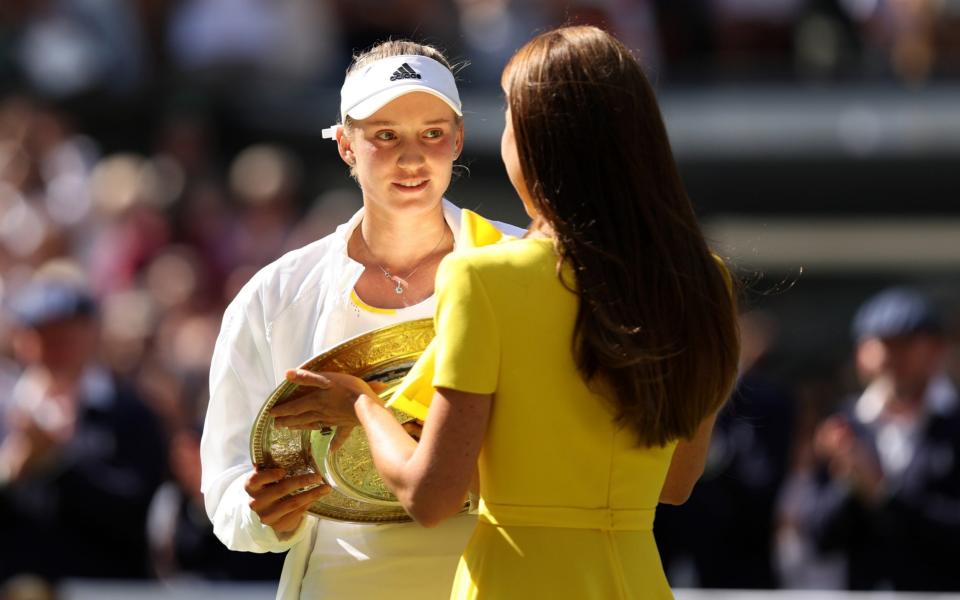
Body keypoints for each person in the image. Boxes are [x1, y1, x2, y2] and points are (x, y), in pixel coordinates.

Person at [272, 26, 740, 598]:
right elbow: (676, 481)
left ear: (540, 143)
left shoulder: (483, 276)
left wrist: (362, 407)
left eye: (512, 122)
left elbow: (430, 496)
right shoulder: (702, 279)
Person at [200, 40, 523, 600]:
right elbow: (227, 487)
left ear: (459, 140)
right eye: (385, 135)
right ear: (346, 145)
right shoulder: (274, 296)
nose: (412, 157)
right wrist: (265, 514)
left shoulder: (528, 267)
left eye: (432, 132)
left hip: (500, 577)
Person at [0, 276, 167, 584]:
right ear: (21, 339)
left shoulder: (129, 413)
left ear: (93, 334)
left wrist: (59, 461)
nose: (57, 348)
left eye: (68, 334)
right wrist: (13, 470)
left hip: (102, 586)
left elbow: (135, 510)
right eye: (45, 335)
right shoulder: (7, 410)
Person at [801, 287, 960, 591]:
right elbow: (818, 537)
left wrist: (882, 492)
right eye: (882, 345)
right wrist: (848, 482)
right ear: (861, 354)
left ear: (937, 350)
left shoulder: (954, 423)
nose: (891, 358)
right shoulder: (844, 424)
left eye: (905, 345)